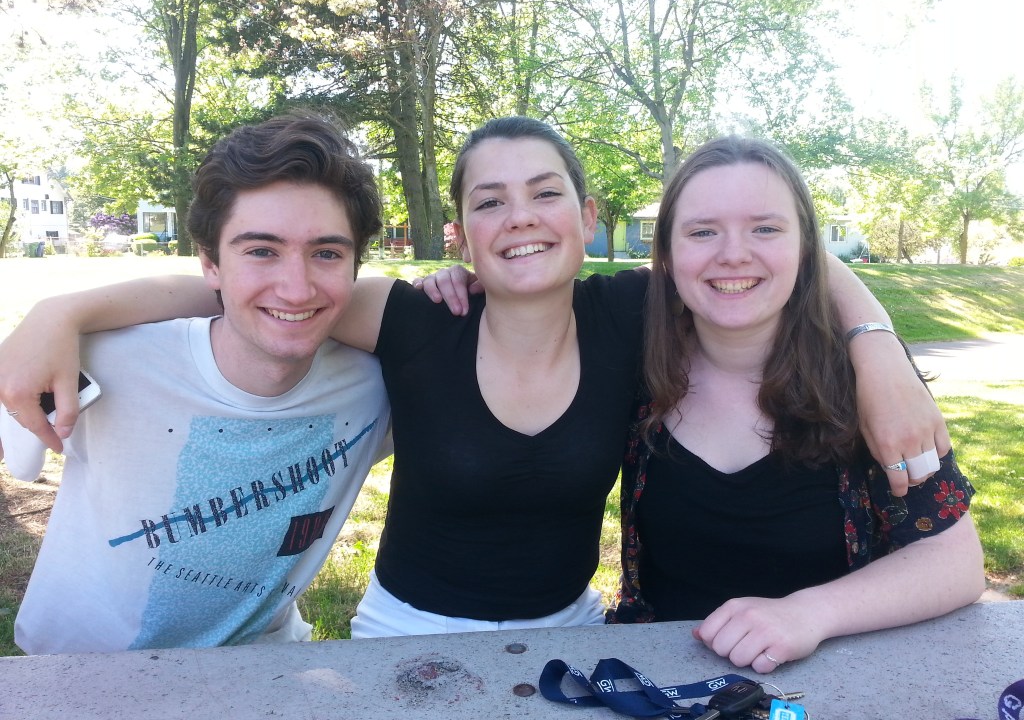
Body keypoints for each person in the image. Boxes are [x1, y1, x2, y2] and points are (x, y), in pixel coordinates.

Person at [0, 117, 949, 638]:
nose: (520, 216)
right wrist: (63, 312)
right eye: (491, 201)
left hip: (572, 632)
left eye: (545, 193)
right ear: (462, 233)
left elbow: (767, 254)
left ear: (586, 217)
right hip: (402, 636)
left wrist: (875, 344)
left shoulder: (632, 312)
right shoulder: (413, 321)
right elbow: (254, 286)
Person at [0, 113, 392, 653]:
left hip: (264, 667)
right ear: (210, 264)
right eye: (261, 251)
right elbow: (19, 452)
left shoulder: (379, 386)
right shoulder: (97, 361)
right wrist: (58, 313)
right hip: (78, 671)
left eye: (326, 253)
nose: (296, 288)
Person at [607, 136, 984, 672]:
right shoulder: (632, 357)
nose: (733, 253)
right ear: (666, 253)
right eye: (702, 231)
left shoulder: (865, 385)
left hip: (831, 685)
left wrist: (810, 613)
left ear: (806, 248)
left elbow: (956, 561)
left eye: (765, 228)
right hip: (652, 681)